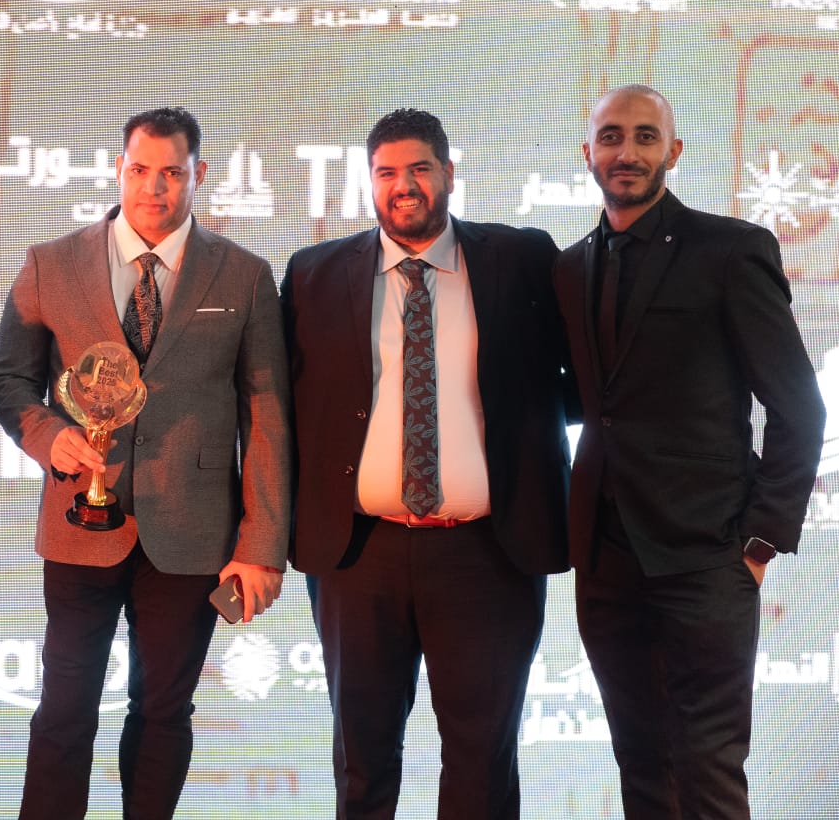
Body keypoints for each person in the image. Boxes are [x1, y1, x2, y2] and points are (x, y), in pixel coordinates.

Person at [0, 105, 292, 820]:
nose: (154, 188)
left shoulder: (244, 276)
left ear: (198, 174)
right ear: (117, 170)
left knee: (163, 710)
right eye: (140, 170)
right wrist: (47, 437)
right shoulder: (52, 264)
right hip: (79, 522)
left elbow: (267, 418)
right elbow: (8, 382)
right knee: (64, 710)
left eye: (172, 173)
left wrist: (261, 545)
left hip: (192, 532)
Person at [282, 108, 572, 819]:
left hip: (488, 556)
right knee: (362, 760)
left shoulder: (522, 259)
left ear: (448, 173)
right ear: (370, 182)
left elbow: (574, 380)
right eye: (386, 172)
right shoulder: (314, 274)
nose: (403, 185)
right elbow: (284, 408)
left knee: (482, 762)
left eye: (419, 168)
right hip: (358, 556)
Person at [554, 85, 826, 819]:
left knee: (707, 769)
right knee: (639, 764)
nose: (627, 151)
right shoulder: (571, 267)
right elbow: (590, 402)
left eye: (646, 136)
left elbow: (799, 407)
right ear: (587, 153)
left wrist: (761, 541)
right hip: (606, 562)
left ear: (673, 151)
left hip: (707, 559)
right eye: (612, 136)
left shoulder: (730, 250)